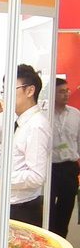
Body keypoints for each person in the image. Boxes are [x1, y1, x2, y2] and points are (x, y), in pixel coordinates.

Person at [0, 64, 52, 227]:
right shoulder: (20, 122)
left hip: (22, 208)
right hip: (9, 202)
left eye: (11, 89)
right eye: (4, 90)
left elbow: (36, 177)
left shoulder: (36, 125)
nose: (5, 96)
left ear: (30, 91)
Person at [49, 77, 80, 238]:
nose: (66, 94)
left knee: (65, 209)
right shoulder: (44, 115)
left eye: (67, 91)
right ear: (52, 94)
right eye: (61, 91)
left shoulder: (76, 114)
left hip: (69, 168)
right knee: (48, 211)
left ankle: (62, 242)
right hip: (50, 169)